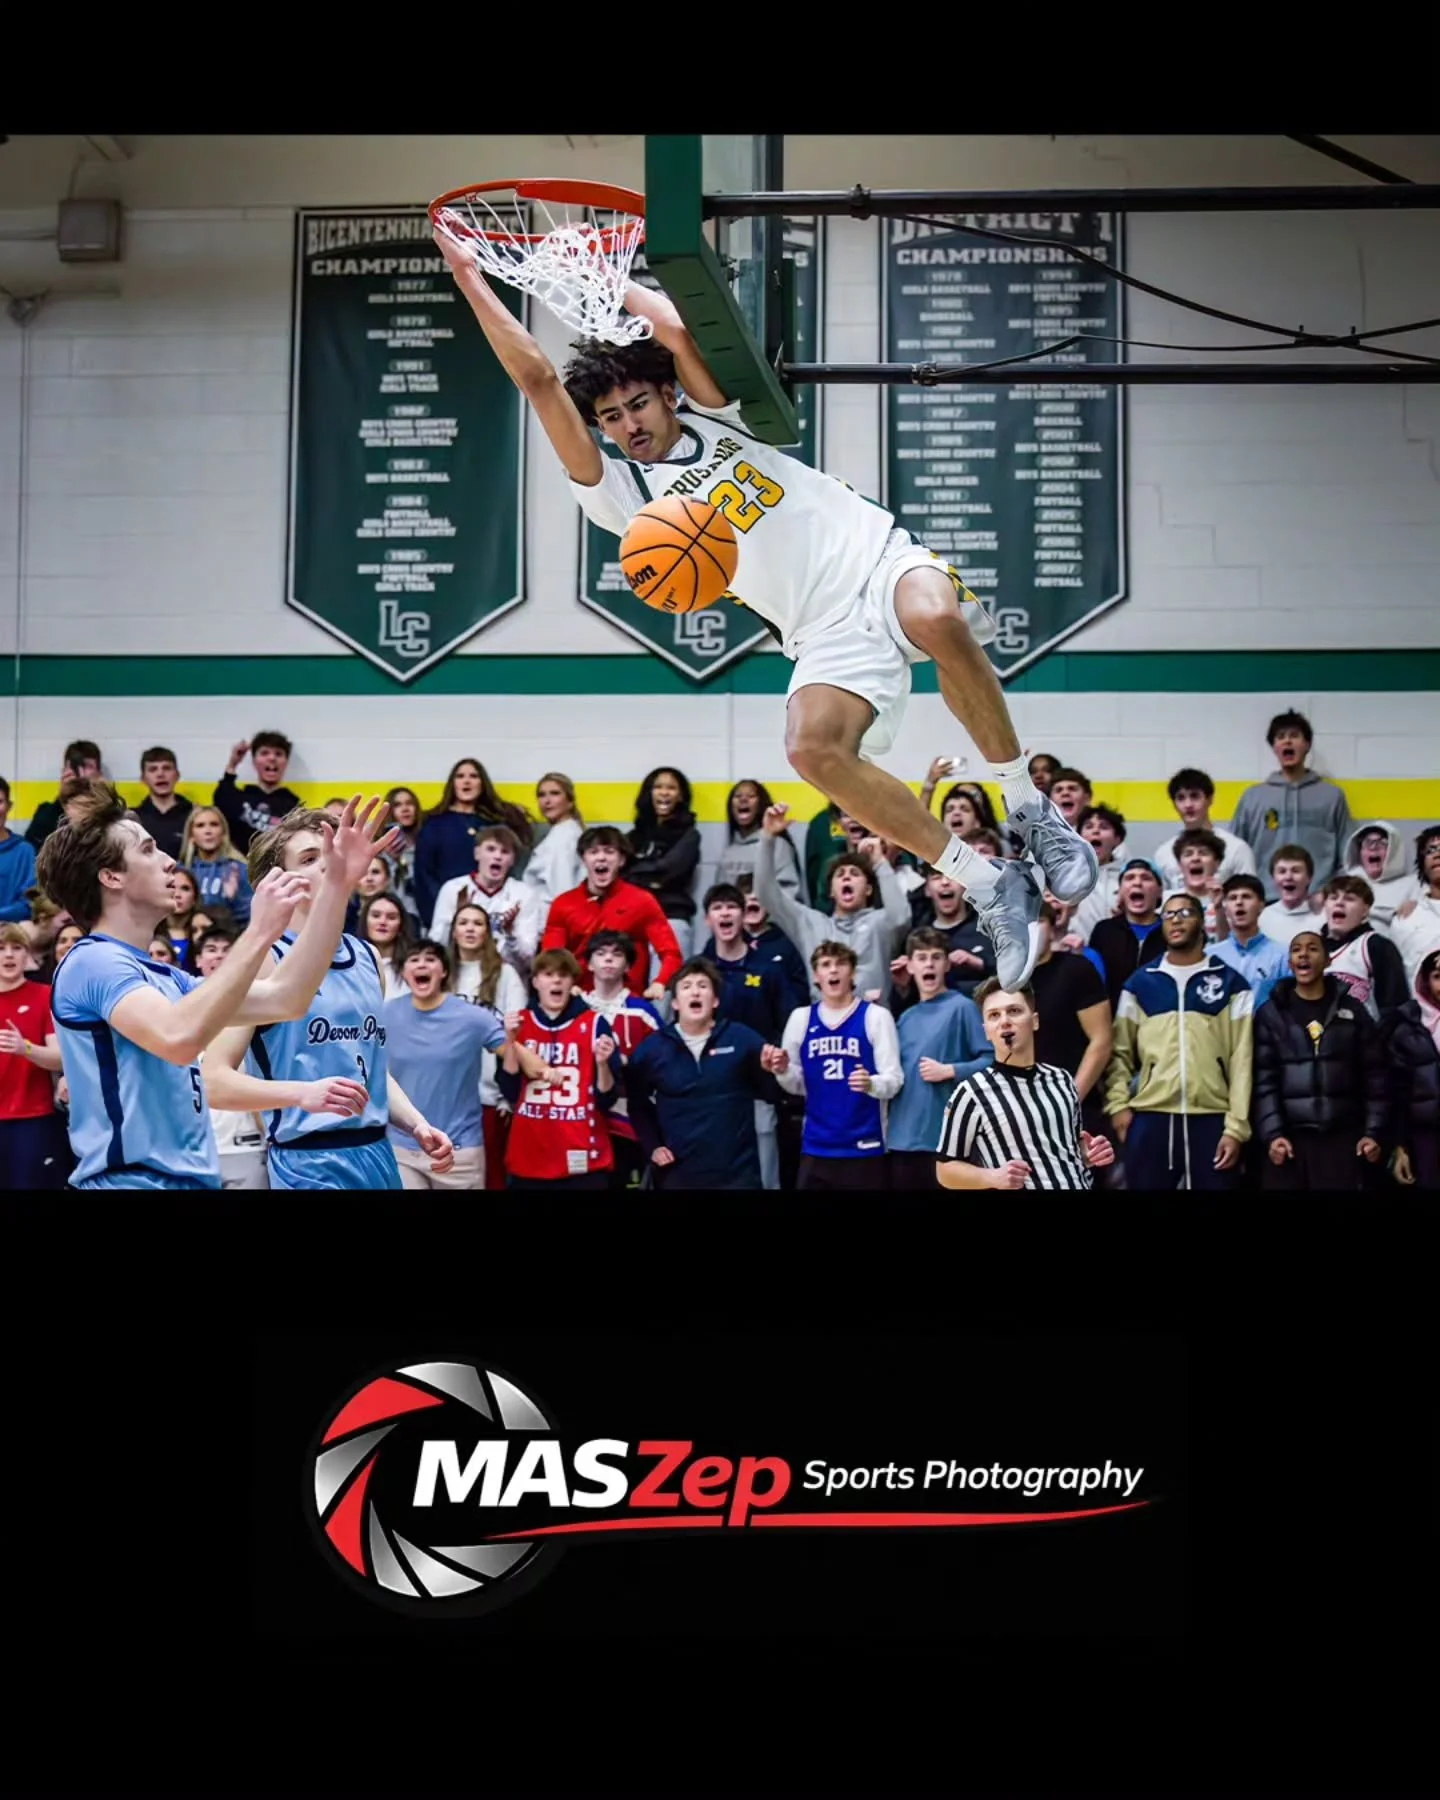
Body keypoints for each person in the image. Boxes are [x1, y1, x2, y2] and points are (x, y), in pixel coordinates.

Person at [434, 224, 1099, 993]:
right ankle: (985, 883)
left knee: (936, 618)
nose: (629, 426)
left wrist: (590, 270)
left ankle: (1027, 806)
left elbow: (673, 327)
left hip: (876, 558)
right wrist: (471, 277)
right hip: (817, 627)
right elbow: (540, 382)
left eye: (639, 405)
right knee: (810, 750)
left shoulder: (720, 417)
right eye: (612, 419)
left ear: (669, 394)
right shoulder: (622, 497)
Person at [35, 784, 384, 1191]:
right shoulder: (92, 960)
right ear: (111, 876)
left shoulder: (168, 978)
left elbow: (287, 999)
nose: (169, 862)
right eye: (148, 850)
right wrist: (258, 932)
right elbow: (179, 1038)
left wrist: (337, 887)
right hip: (129, 1182)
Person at [200, 805, 456, 1191]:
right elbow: (214, 1082)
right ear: (279, 880)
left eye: (330, 852)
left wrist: (416, 1123)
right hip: (307, 1159)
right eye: (309, 857)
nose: (328, 863)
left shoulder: (368, 956)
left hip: (376, 1152)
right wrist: (302, 1094)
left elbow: (370, 1070)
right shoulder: (263, 960)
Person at [1103, 893, 1254, 1192]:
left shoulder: (1231, 983)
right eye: (1169, 914)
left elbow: (1242, 1060)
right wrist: (1118, 1105)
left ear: (1203, 923)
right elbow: (1119, 1054)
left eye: (1185, 912)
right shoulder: (1140, 984)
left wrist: (1236, 1128)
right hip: (1150, 1118)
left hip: (1212, 1119)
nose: (1176, 919)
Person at [384, 939, 550, 1190]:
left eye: (430, 959)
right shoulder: (385, 1014)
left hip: (459, 1150)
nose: (422, 964)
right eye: (414, 960)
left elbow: (527, 1062)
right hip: (401, 1147)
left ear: (444, 971)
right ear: (404, 972)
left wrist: (547, 1070)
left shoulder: (472, 1017)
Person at [624, 958, 789, 1191]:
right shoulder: (653, 1048)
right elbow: (637, 1102)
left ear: (715, 1000)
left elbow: (772, 1094)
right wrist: (653, 1145)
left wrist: (774, 1070)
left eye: (703, 986)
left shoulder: (741, 1038)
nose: (695, 992)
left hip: (736, 1174)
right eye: (687, 986)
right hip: (678, 1173)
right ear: (675, 1003)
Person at [936, 980, 1115, 1191]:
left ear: (1035, 1021)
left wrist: (1088, 1155)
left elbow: (1062, 1150)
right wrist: (992, 1177)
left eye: (1014, 1011)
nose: (1004, 1021)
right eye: (994, 1015)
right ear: (986, 1031)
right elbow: (945, 1170)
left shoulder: (1062, 1080)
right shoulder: (971, 1093)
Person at [1252, 930, 1387, 1192]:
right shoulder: (1272, 1014)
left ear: (1327, 961)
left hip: (1342, 1139)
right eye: (1296, 950)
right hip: (1289, 1142)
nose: (1304, 954)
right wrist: (1273, 1134)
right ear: (1290, 963)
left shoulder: (1353, 1010)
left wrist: (1373, 1132)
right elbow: (1263, 1081)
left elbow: (1376, 1077)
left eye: (1313, 948)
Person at [775, 941, 904, 1191]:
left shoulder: (876, 1017)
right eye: (826, 965)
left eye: (841, 964)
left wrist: (871, 1083)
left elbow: (895, 1079)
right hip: (816, 1145)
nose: (833, 970)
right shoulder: (800, 1018)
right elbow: (798, 1084)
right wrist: (781, 1070)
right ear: (816, 976)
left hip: (865, 1145)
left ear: (852, 972)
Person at [756, 806, 913, 1006]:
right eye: (840, 875)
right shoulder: (811, 924)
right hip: (823, 1023)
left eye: (855, 874)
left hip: (870, 1021)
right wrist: (767, 838)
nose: (847, 876)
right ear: (831, 891)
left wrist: (880, 862)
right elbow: (766, 895)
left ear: (868, 889)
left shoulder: (880, 923)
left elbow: (901, 917)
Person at [693, 883, 791, 1190]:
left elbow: (789, 1024)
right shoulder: (696, 974)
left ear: (743, 916)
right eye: (717, 908)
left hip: (759, 1090)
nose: (725, 913)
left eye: (731, 906)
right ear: (708, 919)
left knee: (765, 1177)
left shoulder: (769, 970)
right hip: (710, 1093)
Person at [498, 948, 617, 1191]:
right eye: (548, 974)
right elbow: (509, 1091)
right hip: (529, 1155)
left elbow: (607, 1100)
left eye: (563, 975)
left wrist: (603, 1063)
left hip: (582, 1156)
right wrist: (510, 1041)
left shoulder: (595, 1023)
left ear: (572, 982)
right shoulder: (519, 1022)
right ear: (535, 982)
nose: (556, 980)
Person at [887, 928, 992, 1192]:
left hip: (944, 1141)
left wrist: (951, 1070)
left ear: (947, 964)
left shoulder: (963, 1007)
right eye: (921, 958)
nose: (929, 964)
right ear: (909, 965)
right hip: (901, 1140)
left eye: (936, 957)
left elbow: (993, 1061)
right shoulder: (905, 1017)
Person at [540, 826, 683, 1001]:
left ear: (621, 860)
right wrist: (567, 986)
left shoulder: (642, 901)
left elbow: (671, 953)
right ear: (583, 859)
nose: (601, 857)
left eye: (609, 851)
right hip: (577, 1001)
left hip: (628, 1002)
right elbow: (551, 957)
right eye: (593, 852)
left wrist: (660, 983)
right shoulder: (562, 904)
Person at [1231, 710, 1352, 897]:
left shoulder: (1332, 796)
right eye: (1280, 737)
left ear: (1307, 745)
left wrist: (1331, 892)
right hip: (1265, 899)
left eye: (1294, 736)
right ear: (1274, 747)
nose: (1287, 741)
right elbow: (1235, 853)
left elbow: (1348, 853)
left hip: (1319, 900)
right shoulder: (1253, 797)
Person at [580, 930, 662, 1191]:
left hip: (628, 1122)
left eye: (617, 955)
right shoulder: (575, 1008)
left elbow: (663, 1062)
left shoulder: (643, 1012)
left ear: (627, 965)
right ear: (589, 963)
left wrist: (627, 1063)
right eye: (600, 954)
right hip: (580, 1121)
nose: (608, 960)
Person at [414, 757, 534, 928]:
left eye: (474, 776)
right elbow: (425, 876)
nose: (467, 781)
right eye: (460, 776)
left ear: (482, 783)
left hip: (492, 915)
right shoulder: (434, 824)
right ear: (452, 783)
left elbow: (511, 867)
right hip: (447, 913)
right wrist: (442, 915)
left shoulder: (496, 822)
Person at [0, 922, 69, 1189]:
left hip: (32, 1119)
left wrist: (25, 1048)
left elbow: (59, 1057)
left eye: (16, 948)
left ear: (27, 955)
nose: (8, 955)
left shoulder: (43, 995)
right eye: (2, 948)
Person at [428, 824, 543, 975]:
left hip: (507, 978)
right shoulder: (453, 889)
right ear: (477, 854)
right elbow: (436, 947)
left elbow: (528, 959)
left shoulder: (524, 895)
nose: (497, 856)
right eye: (491, 849)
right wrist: (457, 919)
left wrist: (510, 933)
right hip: (460, 976)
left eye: (505, 852)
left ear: (513, 860)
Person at [625, 766, 703, 955]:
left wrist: (636, 874)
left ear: (681, 796)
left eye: (671, 788)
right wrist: (650, 879)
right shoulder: (634, 837)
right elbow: (620, 876)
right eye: (658, 787)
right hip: (634, 922)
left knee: (666, 984)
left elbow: (668, 871)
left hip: (670, 919)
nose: (664, 792)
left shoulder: (689, 835)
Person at [1386, 947, 1440, 1190]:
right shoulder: (1406, 1028)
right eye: (1438, 976)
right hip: (1425, 1139)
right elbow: (1396, 1092)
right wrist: (1400, 1147)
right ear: (1426, 981)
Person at [1154, 769, 1257, 892]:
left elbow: (1250, 896)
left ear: (1210, 799)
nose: (1188, 805)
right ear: (1174, 804)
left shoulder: (1236, 849)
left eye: (1195, 796)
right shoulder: (1164, 853)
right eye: (1181, 798)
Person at [1209, 874, 1289, 1012]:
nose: (1239, 902)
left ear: (1261, 905)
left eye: (1246, 896)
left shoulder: (1282, 955)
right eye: (1233, 898)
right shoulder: (1210, 956)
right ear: (1226, 907)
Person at [715, 780, 803, 903]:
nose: (743, 800)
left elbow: (789, 892)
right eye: (738, 796)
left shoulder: (777, 846)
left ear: (760, 805)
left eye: (751, 796)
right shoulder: (729, 852)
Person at [214, 732, 301, 855]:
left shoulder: (293, 804)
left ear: (286, 762)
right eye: (264, 753)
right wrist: (233, 763)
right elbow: (220, 800)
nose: (272, 758)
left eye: (278, 754)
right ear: (254, 761)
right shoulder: (240, 798)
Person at [523, 773, 585, 918]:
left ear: (570, 801)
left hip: (552, 919)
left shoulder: (564, 837)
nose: (547, 801)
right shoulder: (563, 832)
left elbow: (563, 889)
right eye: (542, 795)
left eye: (555, 794)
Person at [1340, 820, 1419, 932]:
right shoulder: (1345, 884)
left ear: (1394, 850)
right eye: (1367, 842)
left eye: (1382, 842)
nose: (1373, 847)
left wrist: (1417, 907)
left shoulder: (1414, 884)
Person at [25, 741, 103, 851]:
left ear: (99, 774)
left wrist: (100, 792)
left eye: (87, 766)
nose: (80, 773)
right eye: (74, 766)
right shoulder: (47, 813)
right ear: (64, 772)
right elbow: (34, 852)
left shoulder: (112, 813)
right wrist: (64, 796)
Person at [130, 746, 194, 864]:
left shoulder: (194, 816)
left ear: (177, 775)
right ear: (143, 779)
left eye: (167, 768)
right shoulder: (133, 819)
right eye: (153, 769)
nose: (160, 774)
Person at [0, 775, 37, 924]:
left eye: (0, 802)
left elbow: (29, 903)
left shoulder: (24, 851)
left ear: (9, 806)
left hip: (14, 937)